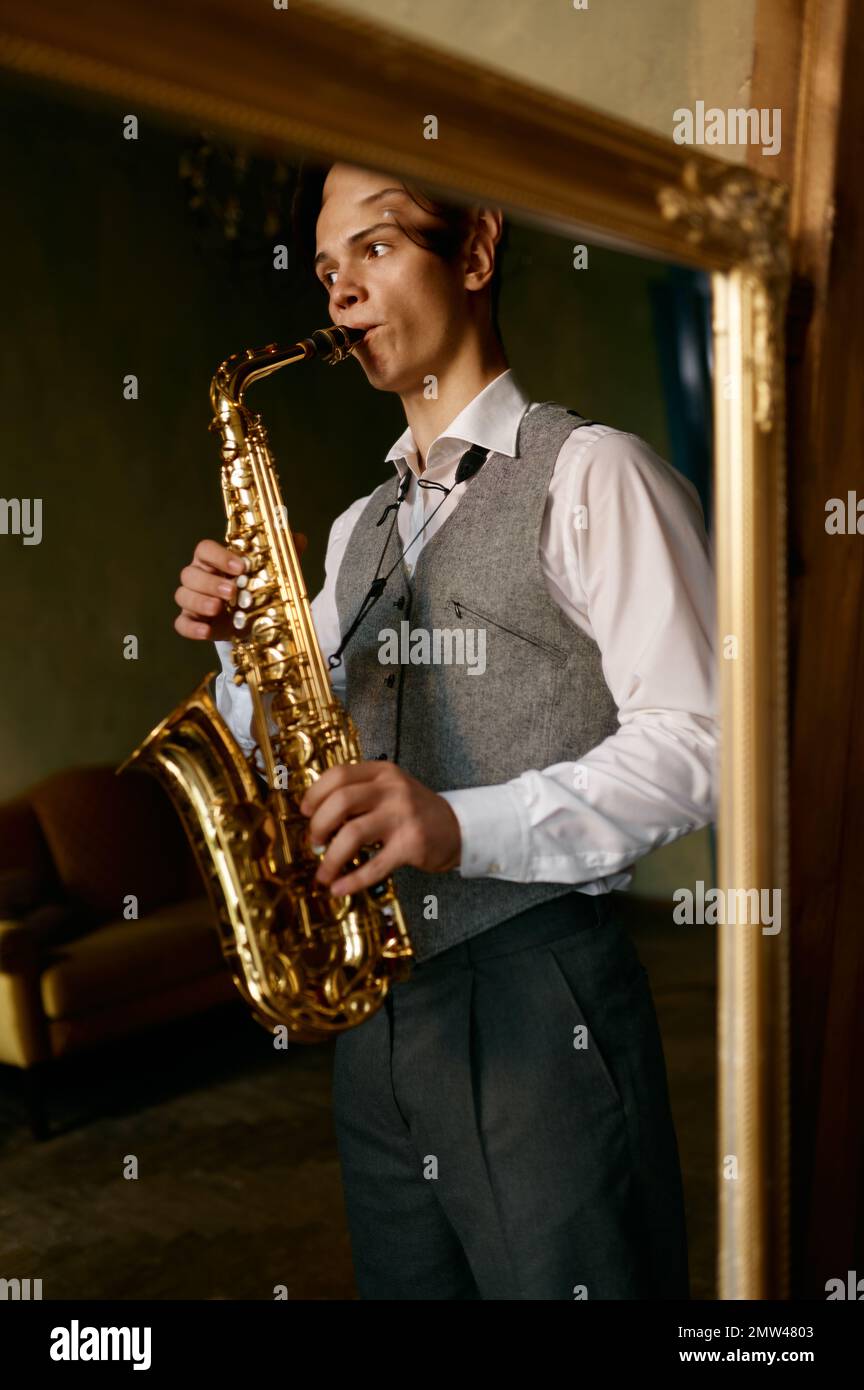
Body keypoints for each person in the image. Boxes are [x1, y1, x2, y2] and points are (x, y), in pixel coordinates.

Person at [173, 160, 718, 1300]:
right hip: (376, 1022)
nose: (340, 293)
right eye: (327, 270)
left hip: (540, 1005)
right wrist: (236, 647)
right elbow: (284, 748)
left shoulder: (593, 475)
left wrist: (456, 824)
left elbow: (701, 742)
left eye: (375, 249)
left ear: (474, 252)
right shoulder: (352, 528)